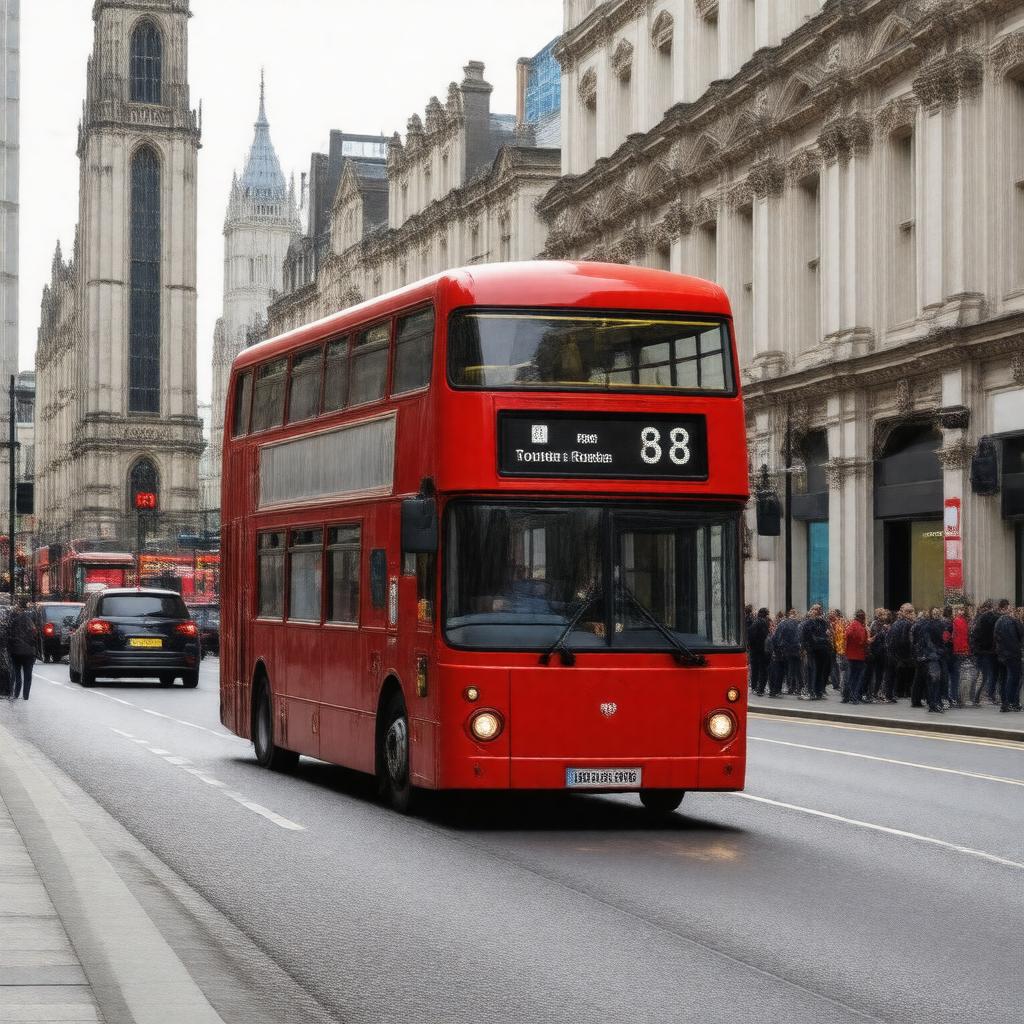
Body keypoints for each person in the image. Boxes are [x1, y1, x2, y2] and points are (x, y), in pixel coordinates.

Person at [912, 607, 946, 713]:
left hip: (931, 656)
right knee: (934, 681)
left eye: (938, 612)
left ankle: (934, 703)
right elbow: (927, 642)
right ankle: (933, 704)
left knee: (934, 681)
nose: (936, 614)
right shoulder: (929, 626)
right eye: (934, 613)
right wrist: (938, 652)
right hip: (932, 657)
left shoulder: (937, 625)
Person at [993, 602, 1023, 713]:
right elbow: (1021, 634)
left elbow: (996, 638)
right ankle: (1012, 702)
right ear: (1007, 609)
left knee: (1003, 679)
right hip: (1013, 654)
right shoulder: (1013, 621)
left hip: (1001, 655)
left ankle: (1005, 704)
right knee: (1014, 679)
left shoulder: (998, 622)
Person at [970, 600, 1000, 705]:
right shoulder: (992, 618)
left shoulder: (978, 618)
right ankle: (981, 697)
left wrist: (975, 649)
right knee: (987, 675)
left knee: (980, 675)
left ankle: (975, 697)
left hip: (980, 651)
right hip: (987, 651)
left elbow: (974, 635)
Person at [799, 605, 832, 700]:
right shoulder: (808, 623)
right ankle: (810, 691)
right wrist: (824, 639)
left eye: (819, 609)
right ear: (811, 611)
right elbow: (808, 637)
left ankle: (818, 692)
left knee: (820, 672)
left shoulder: (823, 622)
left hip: (823, 650)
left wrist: (826, 640)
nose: (817, 611)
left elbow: (827, 635)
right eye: (815, 609)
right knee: (812, 671)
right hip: (812, 650)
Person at [885, 603, 915, 704]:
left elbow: (889, 638)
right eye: (912, 612)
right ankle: (892, 694)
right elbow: (904, 641)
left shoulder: (896, 623)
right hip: (898, 655)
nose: (914, 614)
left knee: (891, 675)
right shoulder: (906, 624)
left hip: (891, 653)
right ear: (908, 613)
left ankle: (889, 694)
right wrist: (907, 655)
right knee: (894, 676)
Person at [9, 599, 38, 702]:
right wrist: (35, 653)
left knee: (17, 674)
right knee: (28, 675)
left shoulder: (14, 621)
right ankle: (26, 696)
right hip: (29, 653)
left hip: (16, 652)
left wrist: (11, 650)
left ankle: (16, 693)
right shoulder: (31, 622)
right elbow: (35, 638)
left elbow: (10, 636)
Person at [773, 610, 802, 695]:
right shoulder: (798, 624)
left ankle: (790, 688)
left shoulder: (783, 624)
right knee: (797, 670)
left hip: (785, 650)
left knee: (789, 669)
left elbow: (776, 637)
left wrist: (777, 649)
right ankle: (798, 688)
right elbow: (800, 637)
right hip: (795, 649)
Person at [947, 606, 970, 708]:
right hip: (955, 651)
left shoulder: (959, 621)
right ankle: (953, 698)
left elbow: (962, 636)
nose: (961, 612)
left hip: (954, 651)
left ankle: (953, 698)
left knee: (954, 676)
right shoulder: (958, 621)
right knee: (954, 676)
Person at [845, 610, 868, 704]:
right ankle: (854, 697)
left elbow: (847, 636)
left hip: (850, 655)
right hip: (859, 655)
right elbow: (862, 641)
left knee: (850, 677)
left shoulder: (851, 625)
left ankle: (847, 696)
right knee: (858, 678)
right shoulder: (861, 627)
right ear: (863, 618)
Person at [747, 608, 771, 696]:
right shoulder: (763, 623)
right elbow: (765, 636)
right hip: (762, 650)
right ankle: (761, 689)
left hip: (754, 650)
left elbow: (750, 636)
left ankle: (754, 687)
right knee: (763, 670)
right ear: (765, 615)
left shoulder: (754, 622)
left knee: (755, 669)